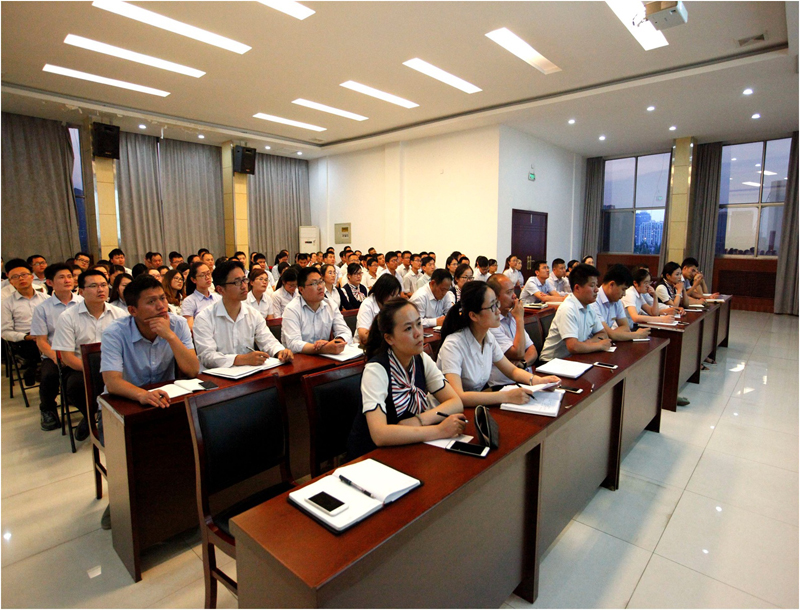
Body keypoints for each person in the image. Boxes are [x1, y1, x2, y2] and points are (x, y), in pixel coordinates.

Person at [100, 273, 201, 530]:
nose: (161, 306)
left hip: (165, 400)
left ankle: (181, 502)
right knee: (128, 451)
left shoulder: (176, 324)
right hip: (124, 404)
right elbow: (112, 381)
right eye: (151, 301)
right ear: (132, 310)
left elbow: (192, 370)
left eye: (162, 299)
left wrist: (170, 336)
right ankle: (121, 498)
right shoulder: (114, 333)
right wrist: (141, 395)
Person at [346, 298, 466, 460]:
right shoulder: (376, 370)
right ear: (389, 338)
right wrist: (439, 430)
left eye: (418, 324)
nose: (418, 333)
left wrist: (419, 420)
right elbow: (379, 434)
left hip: (410, 446)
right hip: (372, 456)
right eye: (408, 328)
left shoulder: (421, 359)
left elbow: (455, 402)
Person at [437, 281, 560, 406]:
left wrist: (538, 381)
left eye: (497, 304)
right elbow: (458, 396)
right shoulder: (453, 345)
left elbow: (512, 371)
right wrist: (506, 396)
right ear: (473, 316)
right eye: (492, 306)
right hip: (447, 411)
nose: (498, 311)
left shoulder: (487, 337)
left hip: (474, 406)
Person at [51, 269, 128, 441]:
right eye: (93, 286)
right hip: (81, 367)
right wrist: (96, 370)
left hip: (115, 365)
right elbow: (67, 356)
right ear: (81, 291)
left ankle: (113, 416)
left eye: (103, 285)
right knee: (75, 386)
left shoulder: (119, 314)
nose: (100, 290)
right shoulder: (67, 317)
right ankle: (90, 417)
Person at [193, 260, 293, 368]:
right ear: (220, 290)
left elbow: (268, 341)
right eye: (237, 282)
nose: (244, 286)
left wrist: (280, 352)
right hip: (216, 375)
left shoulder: (253, 314)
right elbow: (207, 356)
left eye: (244, 280)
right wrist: (241, 359)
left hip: (248, 372)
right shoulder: (204, 318)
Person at [29, 263, 84, 430]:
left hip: (80, 352)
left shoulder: (83, 302)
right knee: (49, 376)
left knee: (81, 380)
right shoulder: (42, 308)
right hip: (55, 353)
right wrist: (57, 357)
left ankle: (89, 412)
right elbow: (41, 341)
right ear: (50, 282)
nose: (67, 280)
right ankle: (47, 409)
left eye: (69, 276)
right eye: (61, 277)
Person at [540, 264, 612, 361]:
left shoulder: (589, 307)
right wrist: (599, 345)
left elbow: (603, 334)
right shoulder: (568, 309)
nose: (597, 289)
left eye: (596, 285)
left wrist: (588, 343)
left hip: (576, 358)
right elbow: (573, 347)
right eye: (592, 285)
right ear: (577, 288)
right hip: (551, 362)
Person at [280, 267, 352, 354]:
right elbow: (293, 343)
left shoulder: (330, 305)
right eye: (314, 283)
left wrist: (338, 341)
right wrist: (322, 348)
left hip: (325, 357)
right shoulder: (291, 309)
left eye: (321, 281)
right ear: (301, 289)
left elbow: (345, 331)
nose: (320, 287)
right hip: (299, 358)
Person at [2, 259, 49, 386]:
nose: (21, 279)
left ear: (32, 277)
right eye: (15, 277)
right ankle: (40, 369)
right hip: (25, 340)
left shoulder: (46, 299)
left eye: (24, 275)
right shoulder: (6, 303)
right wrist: (26, 337)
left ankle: (40, 369)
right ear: (10, 282)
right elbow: (5, 331)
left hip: (47, 335)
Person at [486, 274, 538, 387]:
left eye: (513, 290)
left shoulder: (512, 315)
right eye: (509, 292)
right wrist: (520, 319)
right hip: (504, 384)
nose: (514, 296)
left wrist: (523, 364)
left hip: (525, 378)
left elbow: (532, 350)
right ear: (495, 297)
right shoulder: (491, 324)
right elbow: (518, 353)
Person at [589, 265, 651, 341]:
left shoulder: (616, 301)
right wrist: (637, 335)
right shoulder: (593, 301)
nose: (624, 294)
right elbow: (608, 334)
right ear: (611, 285)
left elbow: (626, 327)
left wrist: (613, 334)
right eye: (623, 289)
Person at [356, 273, 402, 346]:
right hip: (367, 347)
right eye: (392, 295)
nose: (394, 299)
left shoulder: (392, 305)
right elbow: (363, 335)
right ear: (382, 292)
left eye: (396, 295)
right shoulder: (367, 304)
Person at [181, 261, 220, 330]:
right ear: (193, 279)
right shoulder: (189, 301)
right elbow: (190, 327)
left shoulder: (218, 297)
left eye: (208, 273)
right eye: (202, 275)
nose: (207, 277)